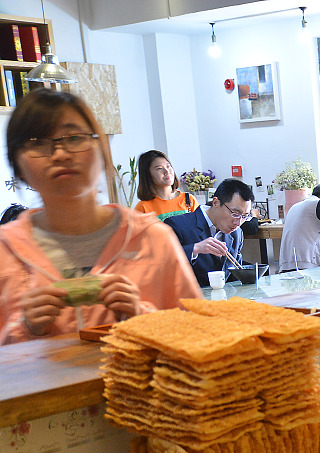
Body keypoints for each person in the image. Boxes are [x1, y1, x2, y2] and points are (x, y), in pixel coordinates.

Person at [0, 89, 201, 345]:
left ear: (101, 149)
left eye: (74, 137)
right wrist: (24, 328)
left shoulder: (154, 239)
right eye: (38, 142)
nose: (60, 154)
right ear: (17, 166)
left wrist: (142, 317)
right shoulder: (5, 251)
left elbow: (197, 337)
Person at [164, 178, 254, 287]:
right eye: (235, 213)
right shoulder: (178, 225)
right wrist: (195, 249)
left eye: (244, 216)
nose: (238, 222)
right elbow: (162, 262)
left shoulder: (237, 233)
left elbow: (233, 276)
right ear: (216, 202)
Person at [133, 150, 198, 220]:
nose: (167, 171)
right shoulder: (142, 208)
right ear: (147, 174)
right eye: (159, 168)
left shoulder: (189, 199)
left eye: (168, 166)